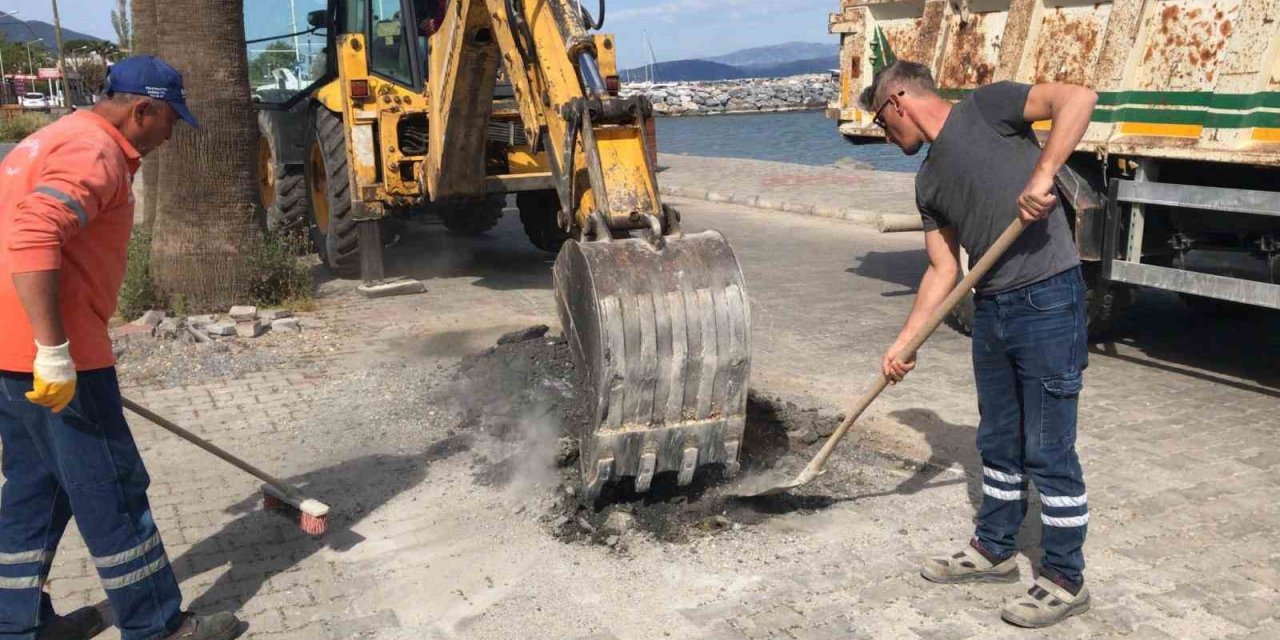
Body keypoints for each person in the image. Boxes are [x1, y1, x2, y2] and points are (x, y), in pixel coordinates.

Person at [0, 56, 241, 640]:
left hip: (9, 355)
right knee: (111, 489)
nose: (170, 134)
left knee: (37, 487)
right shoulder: (97, 151)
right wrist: (54, 349)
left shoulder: (44, 140)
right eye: (170, 121)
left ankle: (16, 624)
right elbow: (33, 231)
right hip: (56, 357)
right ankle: (159, 627)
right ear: (143, 110)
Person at [865, 60, 1098, 628]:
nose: (883, 134)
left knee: (1047, 445)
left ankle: (1065, 577)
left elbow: (1079, 98)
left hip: (1047, 296)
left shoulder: (989, 107)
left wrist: (1044, 175)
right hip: (991, 309)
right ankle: (994, 548)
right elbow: (942, 269)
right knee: (997, 438)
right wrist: (907, 341)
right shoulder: (928, 182)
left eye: (880, 121)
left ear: (898, 101)